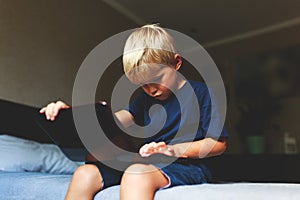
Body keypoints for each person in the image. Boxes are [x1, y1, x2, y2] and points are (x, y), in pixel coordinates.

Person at [40, 24, 228, 200]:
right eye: (142, 85)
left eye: (157, 79)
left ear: (176, 63)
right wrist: (72, 115)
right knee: (84, 174)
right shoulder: (144, 100)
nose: (151, 90)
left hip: (186, 166)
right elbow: (116, 120)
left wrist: (174, 150)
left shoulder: (202, 94)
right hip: (147, 162)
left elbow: (218, 144)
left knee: (136, 174)